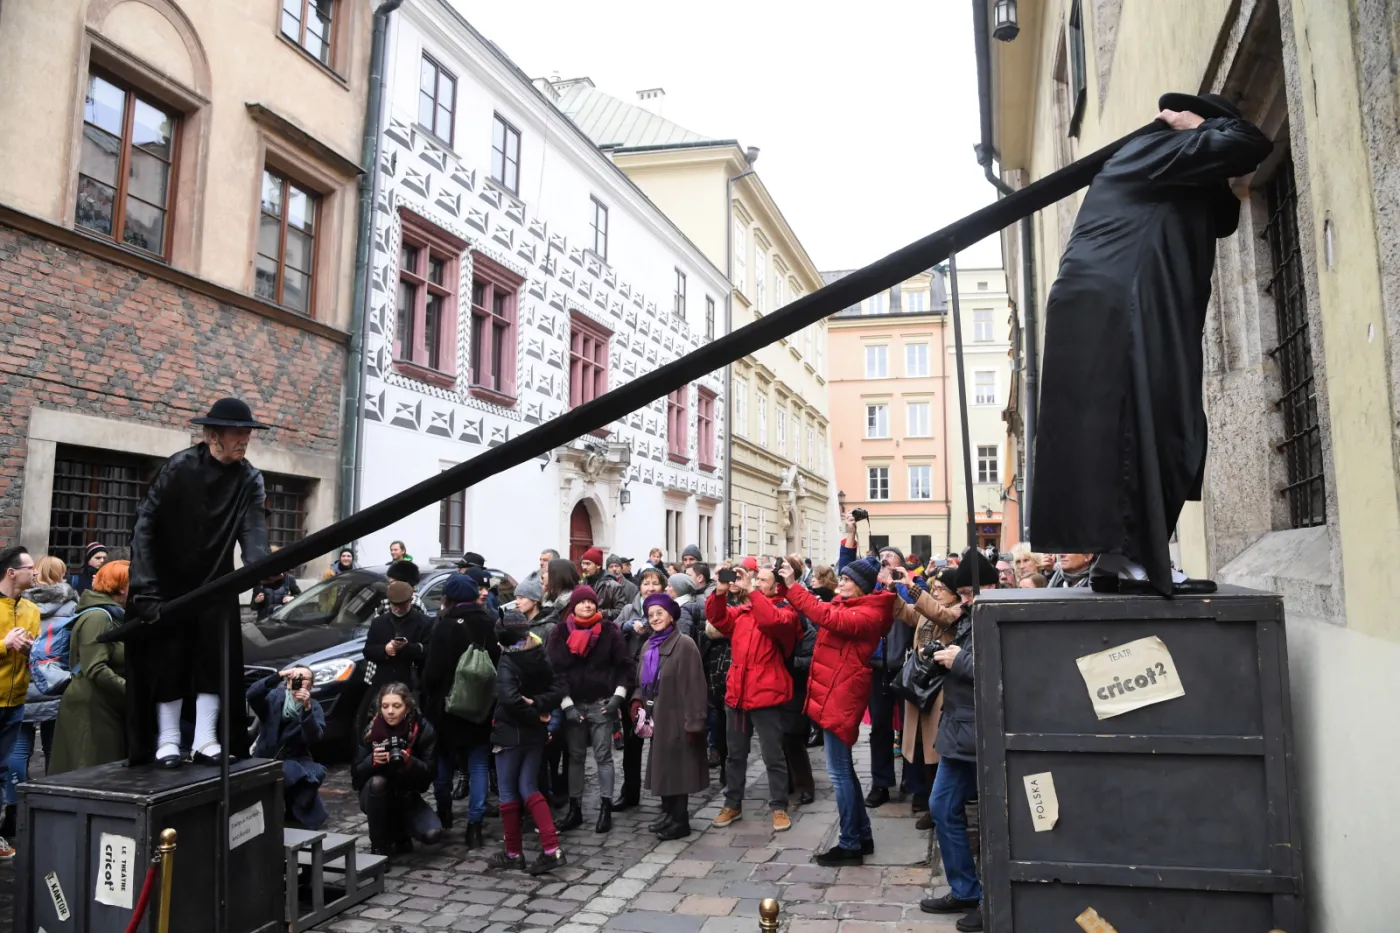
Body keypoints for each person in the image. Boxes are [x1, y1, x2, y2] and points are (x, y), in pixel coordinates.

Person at [1032, 94, 1271, 597]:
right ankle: (1141, 559)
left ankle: (1119, 557)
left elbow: (1223, 217)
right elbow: (1252, 143)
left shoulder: (1167, 172)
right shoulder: (1159, 149)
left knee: (1138, 427)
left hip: (1110, 304)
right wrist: (1196, 125)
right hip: (1124, 304)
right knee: (1156, 424)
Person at [124, 397, 271, 767]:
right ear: (212, 435)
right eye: (237, 433)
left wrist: (264, 568)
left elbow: (254, 533)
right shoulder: (178, 468)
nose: (244, 440)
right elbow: (144, 526)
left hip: (216, 585)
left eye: (247, 433)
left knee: (213, 662)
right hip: (167, 584)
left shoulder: (250, 479)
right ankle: (168, 740)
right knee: (169, 662)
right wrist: (145, 588)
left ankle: (205, 740)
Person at [778, 553, 894, 866]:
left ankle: (850, 843)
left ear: (861, 587)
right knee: (844, 770)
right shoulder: (855, 605)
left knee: (839, 772)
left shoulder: (866, 614)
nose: (839, 584)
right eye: (841, 578)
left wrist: (793, 586)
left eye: (846, 580)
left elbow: (825, 615)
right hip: (834, 692)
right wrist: (788, 585)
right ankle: (862, 836)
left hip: (840, 695)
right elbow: (825, 609)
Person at [921, 550, 998, 933]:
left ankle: (990, 901)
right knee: (942, 806)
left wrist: (960, 661)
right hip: (960, 729)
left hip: (982, 730)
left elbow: (1005, 669)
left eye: (969, 593)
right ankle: (965, 889)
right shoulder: (972, 614)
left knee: (993, 821)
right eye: (963, 593)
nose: (965, 599)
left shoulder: (998, 612)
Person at [707, 564, 802, 833]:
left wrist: (750, 590)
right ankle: (732, 804)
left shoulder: (786, 612)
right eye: (755, 579)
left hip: (767, 695)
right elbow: (717, 618)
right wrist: (720, 591)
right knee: (735, 755)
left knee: (773, 756)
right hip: (737, 694)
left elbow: (771, 621)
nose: (757, 582)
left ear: (776, 586)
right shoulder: (743, 612)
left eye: (763, 580)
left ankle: (779, 806)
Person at [486, 609, 568, 874]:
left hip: (510, 734)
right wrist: (540, 710)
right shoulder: (539, 654)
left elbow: (509, 699)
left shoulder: (508, 661)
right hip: (534, 734)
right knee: (529, 787)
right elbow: (557, 690)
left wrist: (534, 711)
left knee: (508, 792)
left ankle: (513, 853)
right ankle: (551, 848)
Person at [545, 584, 631, 834]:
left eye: (591, 602)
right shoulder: (561, 632)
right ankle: (575, 810)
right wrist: (566, 704)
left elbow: (625, 665)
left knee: (603, 756)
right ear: (573, 606)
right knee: (575, 757)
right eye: (582, 602)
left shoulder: (609, 630)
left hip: (601, 703)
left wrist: (618, 697)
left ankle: (605, 808)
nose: (587, 605)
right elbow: (555, 671)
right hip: (573, 705)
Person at [421, 570, 499, 846]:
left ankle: (444, 813)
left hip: (447, 708)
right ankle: (474, 827)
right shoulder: (489, 623)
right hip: (480, 706)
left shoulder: (444, 625)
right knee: (478, 765)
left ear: (448, 597)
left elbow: (432, 673)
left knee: (443, 763)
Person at [889, 565, 962, 829]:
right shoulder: (928, 607)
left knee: (936, 750)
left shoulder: (959, 610)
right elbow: (905, 612)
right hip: (919, 683)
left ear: (954, 592)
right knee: (920, 745)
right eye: (935, 588)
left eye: (941, 589)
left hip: (940, 687)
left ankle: (942, 807)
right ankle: (930, 801)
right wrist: (892, 592)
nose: (937, 592)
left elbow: (941, 615)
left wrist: (913, 587)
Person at [632, 593, 708, 840]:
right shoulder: (649, 645)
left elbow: (695, 686)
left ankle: (680, 821)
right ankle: (669, 815)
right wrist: (637, 700)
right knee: (664, 768)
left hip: (678, 719)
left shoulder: (684, 645)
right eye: (651, 615)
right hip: (658, 718)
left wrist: (695, 721)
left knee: (679, 770)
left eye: (659, 613)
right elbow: (641, 680)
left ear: (671, 616)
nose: (654, 618)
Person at [48, 559, 129, 775]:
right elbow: (95, 667)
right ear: (122, 587)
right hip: (90, 706)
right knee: (87, 772)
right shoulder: (98, 617)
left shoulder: (114, 615)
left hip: (103, 704)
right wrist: (132, 691)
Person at [5, 556, 74, 804]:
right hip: (54, 683)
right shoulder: (71, 606)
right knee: (54, 748)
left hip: (23, 683)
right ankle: (51, 805)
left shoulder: (21, 604)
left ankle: (16, 805)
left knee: (18, 749)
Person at [352, 683, 441, 856]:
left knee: (432, 834)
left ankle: (399, 832)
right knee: (378, 782)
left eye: (396, 706)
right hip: (374, 796)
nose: (390, 711)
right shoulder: (371, 730)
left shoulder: (423, 730)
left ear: (407, 707)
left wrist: (409, 762)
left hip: (406, 795)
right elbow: (356, 776)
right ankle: (379, 847)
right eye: (385, 706)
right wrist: (372, 761)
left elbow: (429, 776)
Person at [246, 665, 327, 829]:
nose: (299, 681)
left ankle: (296, 813)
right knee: (296, 775)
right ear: (288, 682)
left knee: (315, 771)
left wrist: (306, 710)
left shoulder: (313, 706)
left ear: (311, 685)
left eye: (304, 679)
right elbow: (252, 695)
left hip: (297, 757)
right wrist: (278, 675)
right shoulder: (274, 698)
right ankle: (294, 813)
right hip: (268, 757)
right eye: (296, 677)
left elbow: (315, 737)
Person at [612, 567, 666, 812]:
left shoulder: (668, 609)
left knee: (660, 741)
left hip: (657, 683)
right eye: (646, 583)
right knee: (632, 741)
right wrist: (627, 627)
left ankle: (666, 794)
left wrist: (651, 627)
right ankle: (630, 792)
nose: (650, 588)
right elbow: (612, 632)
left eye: (655, 583)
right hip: (631, 681)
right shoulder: (628, 609)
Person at [0, 547, 39, 858]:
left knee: (2, 769)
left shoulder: (32, 610)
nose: (35, 572)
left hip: (16, 702)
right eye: (30, 567)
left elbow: (34, 653)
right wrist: (5, 644)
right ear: (11, 572)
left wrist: (29, 650)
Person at [363, 581, 432, 695]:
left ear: (410, 601)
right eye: (395, 605)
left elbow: (430, 652)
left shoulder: (425, 622)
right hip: (384, 683)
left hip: (411, 685)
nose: (398, 609)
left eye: (402, 605)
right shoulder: (378, 622)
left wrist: (408, 647)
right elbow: (368, 651)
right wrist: (385, 650)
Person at [250, 552, 301, 620]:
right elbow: (253, 607)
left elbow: (301, 597)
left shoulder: (289, 579)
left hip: (282, 619)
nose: (272, 580)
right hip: (264, 620)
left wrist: (292, 599)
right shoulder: (260, 581)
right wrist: (256, 601)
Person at [512, 577, 556, 642]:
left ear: (535, 600)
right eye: (516, 598)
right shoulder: (518, 625)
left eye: (521, 598)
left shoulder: (549, 627)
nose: (516, 602)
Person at [665, 572, 703, 639]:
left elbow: (682, 640)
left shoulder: (682, 612)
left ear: (679, 589)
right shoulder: (686, 605)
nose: (666, 588)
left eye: (669, 586)